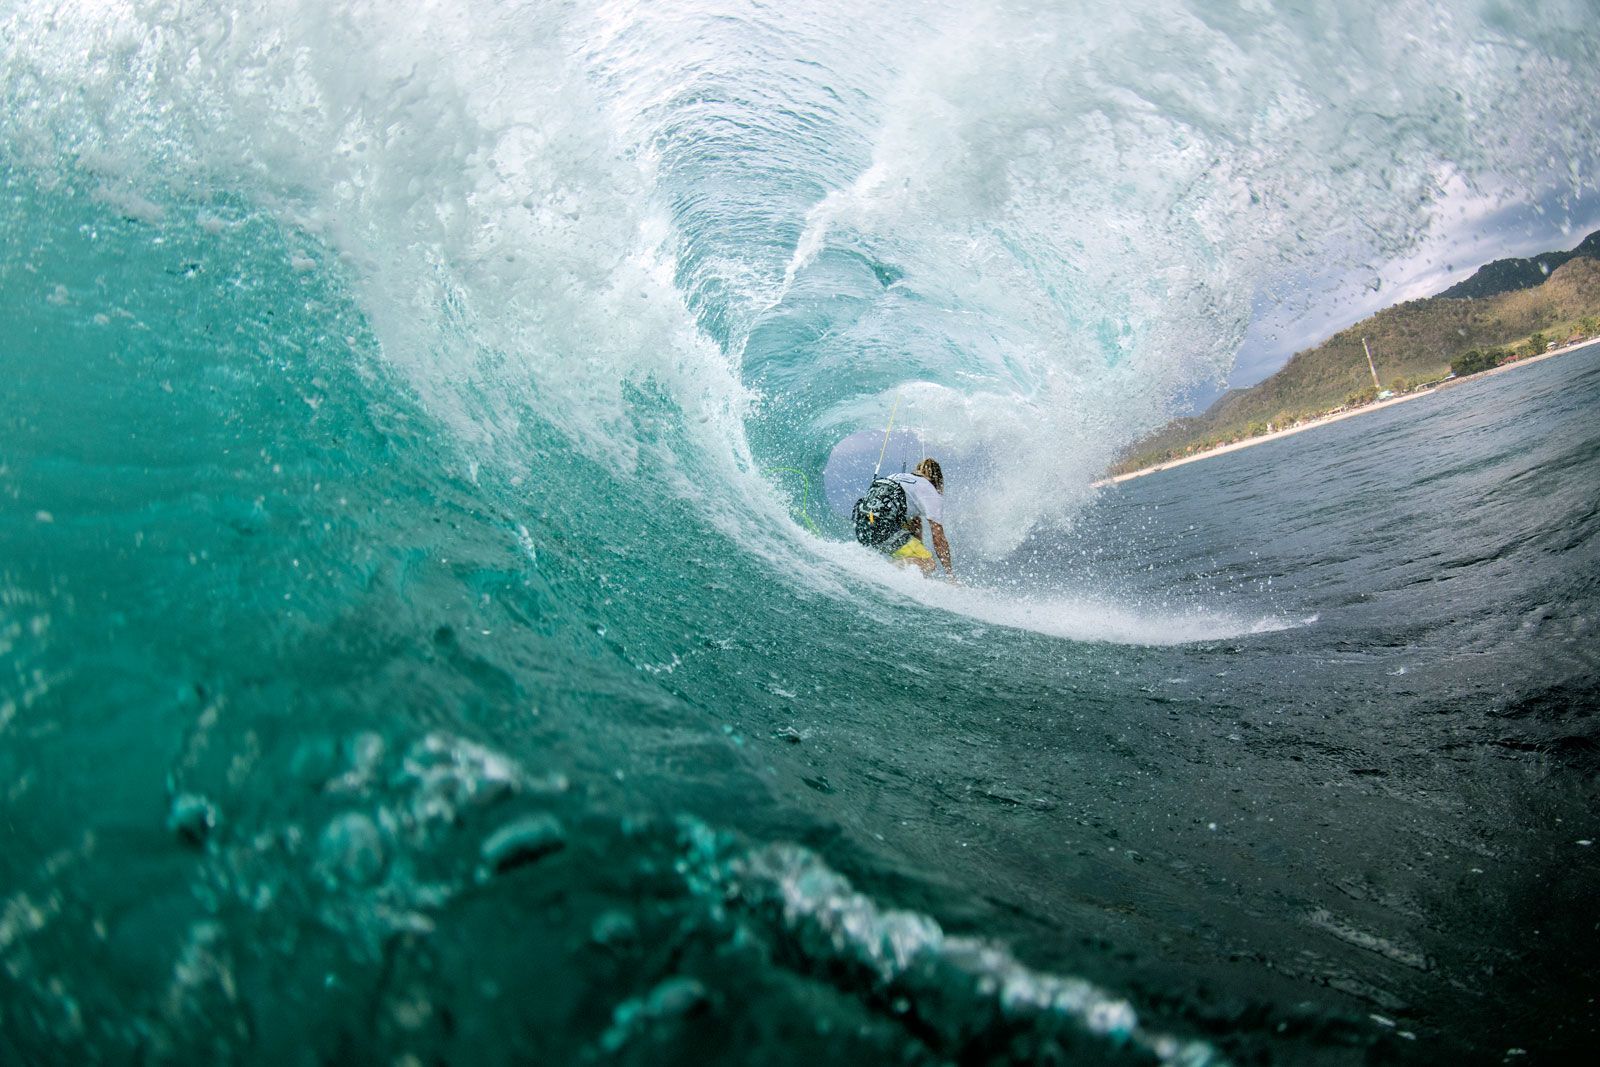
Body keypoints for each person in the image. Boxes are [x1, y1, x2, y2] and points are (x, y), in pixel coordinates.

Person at [885, 458, 953, 579]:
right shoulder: (930, 492)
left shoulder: (897, 477)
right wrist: (950, 574)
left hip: (864, 522)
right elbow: (939, 540)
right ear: (938, 480)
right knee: (929, 563)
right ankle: (882, 571)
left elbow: (915, 524)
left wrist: (918, 552)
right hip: (884, 527)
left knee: (915, 522)